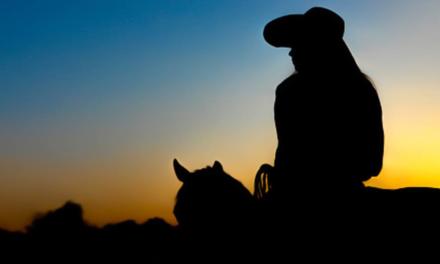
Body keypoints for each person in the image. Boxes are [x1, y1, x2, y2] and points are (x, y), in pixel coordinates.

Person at [263, 7, 384, 200]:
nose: (291, 53)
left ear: (317, 46)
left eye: (299, 44)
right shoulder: (361, 88)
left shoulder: (288, 91)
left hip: (303, 195)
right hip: (341, 193)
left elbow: (287, 153)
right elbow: (371, 163)